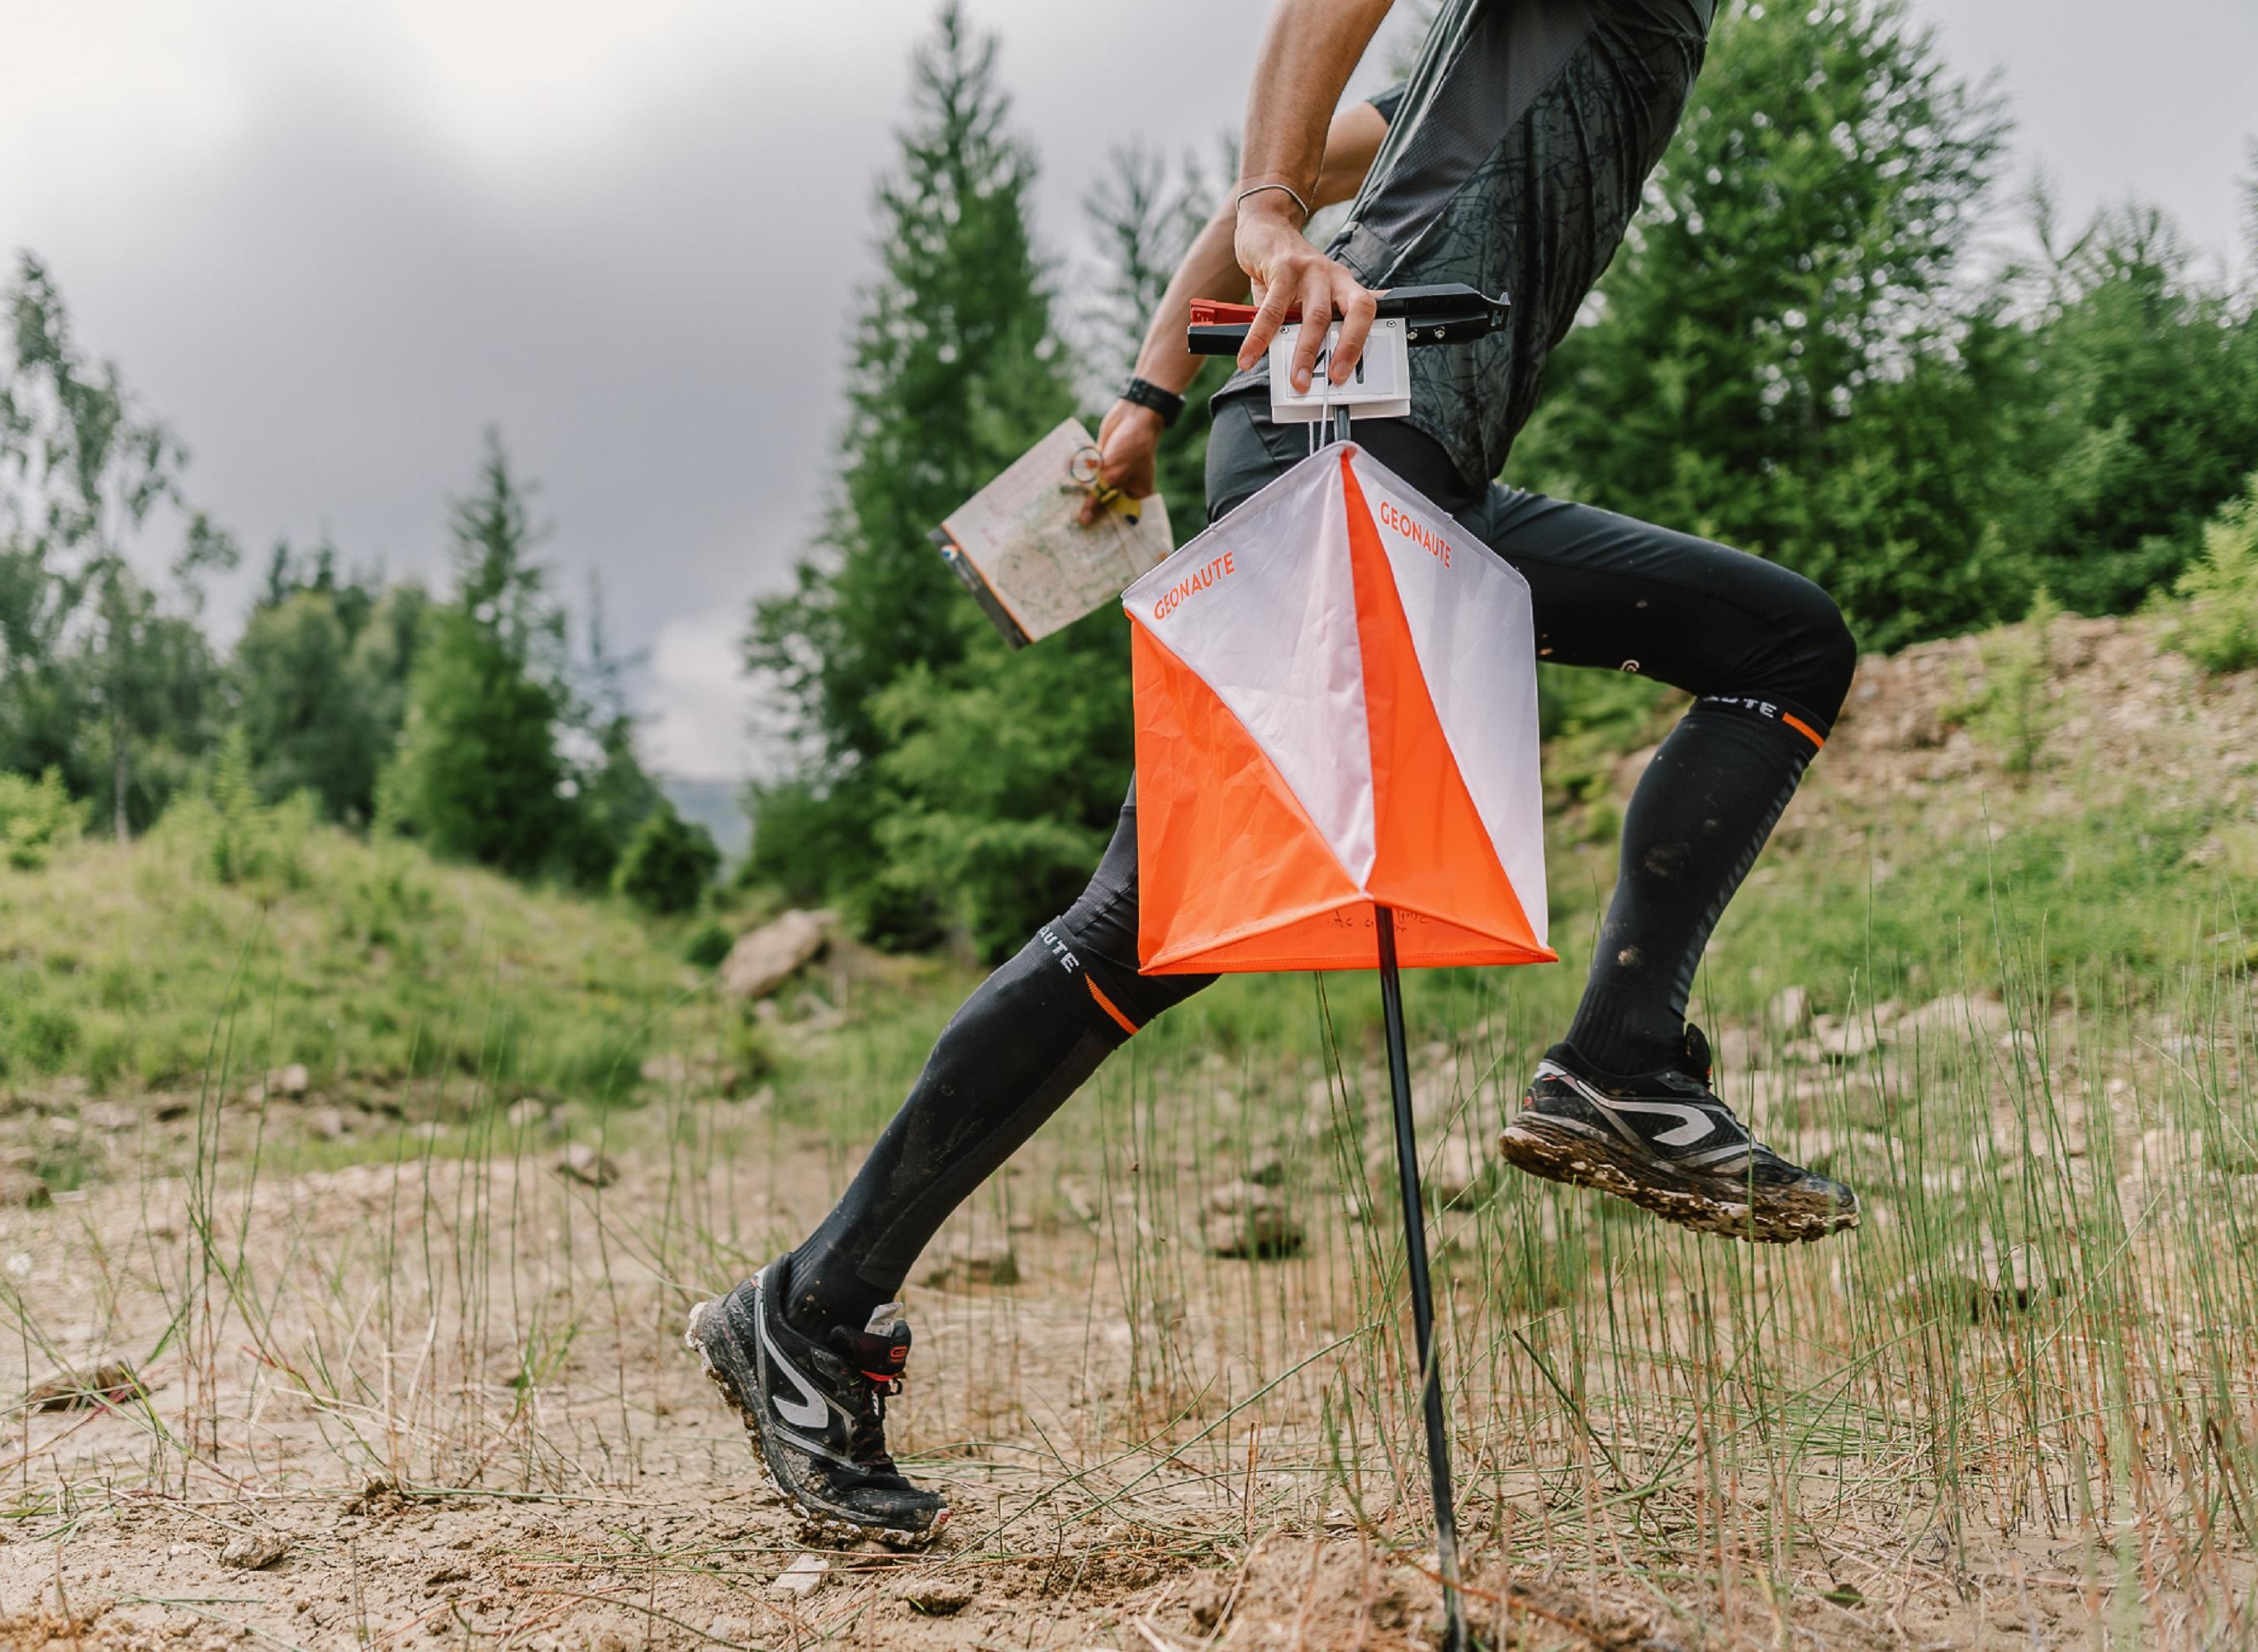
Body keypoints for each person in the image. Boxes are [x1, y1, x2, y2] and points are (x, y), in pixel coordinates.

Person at [689, 0, 1861, 1547]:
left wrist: (1149, 398)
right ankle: (811, 1306)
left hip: (1382, 443)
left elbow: (1320, 160)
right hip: (1343, 443)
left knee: (1782, 646)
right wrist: (1256, 222)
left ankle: (1622, 1063)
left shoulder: (1478, 66)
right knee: (1155, 917)